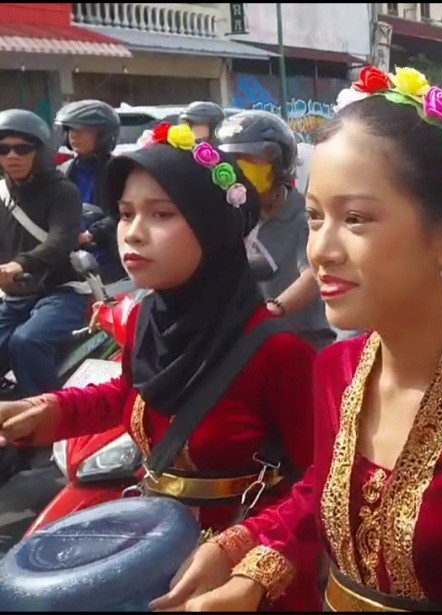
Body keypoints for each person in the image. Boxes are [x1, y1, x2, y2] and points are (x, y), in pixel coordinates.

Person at [149, 66, 442, 612]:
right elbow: (326, 491)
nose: (321, 251)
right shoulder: (336, 369)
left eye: (355, 218)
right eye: (314, 218)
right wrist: (247, 564)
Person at [0, 120, 319, 607]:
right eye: (126, 214)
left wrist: (243, 553)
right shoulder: (146, 317)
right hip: (152, 554)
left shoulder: (278, 353)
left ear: (213, 227)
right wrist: (52, 411)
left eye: (162, 214)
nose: (134, 234)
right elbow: (132, 393)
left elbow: (320, 487)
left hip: (241, 584)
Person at [216, 110, 334, 351]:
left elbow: (313, 275)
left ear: (280, 164)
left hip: (304, 339)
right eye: (233, 162)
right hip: (253, 338)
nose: (241, 171)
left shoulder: (304, 216)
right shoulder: (234, 215)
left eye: (250, 161)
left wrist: (275, 308)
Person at [0, 109, 88, 399]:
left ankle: (46, 423)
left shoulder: (63, 192)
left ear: (39, 151)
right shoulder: (1, 193)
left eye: (22, 148)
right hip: (14, 295)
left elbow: (60, 241)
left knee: (26, 341)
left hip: (61, 291)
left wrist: (19, 264)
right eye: (3, 149)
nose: (12, 156)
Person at [55, 99, 124, 282]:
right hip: (69, 258)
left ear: (103, 135)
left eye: (82, 130)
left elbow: (125, 213)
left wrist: (92, 234)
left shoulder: (119, 169)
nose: (74, 135)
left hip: (110, 258)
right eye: (71, 129)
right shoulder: (63, 170)